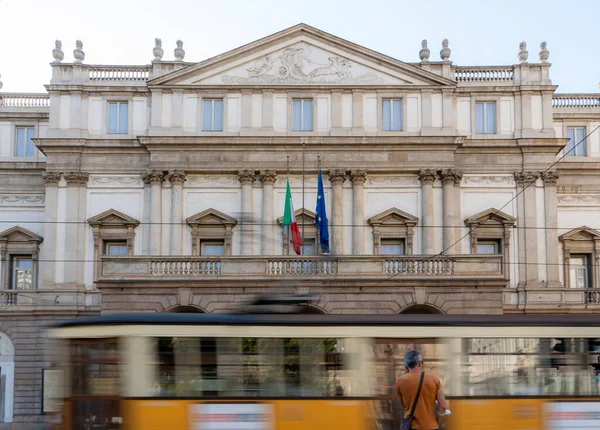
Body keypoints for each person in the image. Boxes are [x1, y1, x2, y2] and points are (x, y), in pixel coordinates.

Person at [396, 349, 449, 430]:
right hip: (431, 426)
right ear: (420, 363)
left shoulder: (400, 381)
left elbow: (404, 404)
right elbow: (443, 406)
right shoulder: (434, 379)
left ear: (406, 366)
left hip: (411, 426)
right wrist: (436, 423)